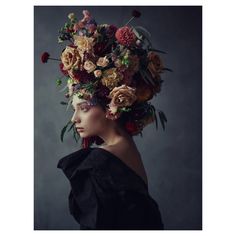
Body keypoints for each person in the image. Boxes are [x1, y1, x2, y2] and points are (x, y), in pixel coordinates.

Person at [42, 9, 171, 229]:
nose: (74, 118)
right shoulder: (126, 146)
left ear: (112, 105)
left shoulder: (98, 164)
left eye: (83, 108)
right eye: (75, 109)